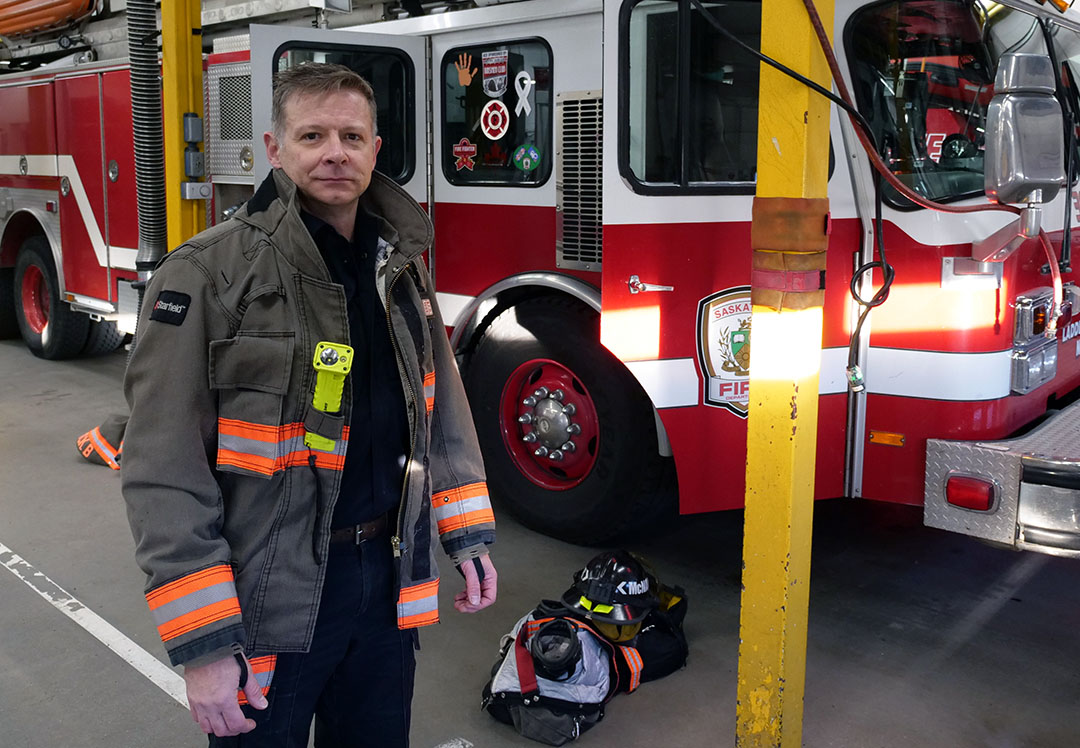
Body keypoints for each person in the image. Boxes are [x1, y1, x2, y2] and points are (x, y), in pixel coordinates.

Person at [121, 63, 497, 747]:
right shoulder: (207, 276)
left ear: (376, 149)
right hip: (274, 597)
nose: (334, 153)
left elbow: (439, 409)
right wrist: (205, 645)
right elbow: (162, 467)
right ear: (274, 148)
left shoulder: (399, 264)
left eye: (352, 136)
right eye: (313, 134)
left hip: (385, 584)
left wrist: (465, 530)